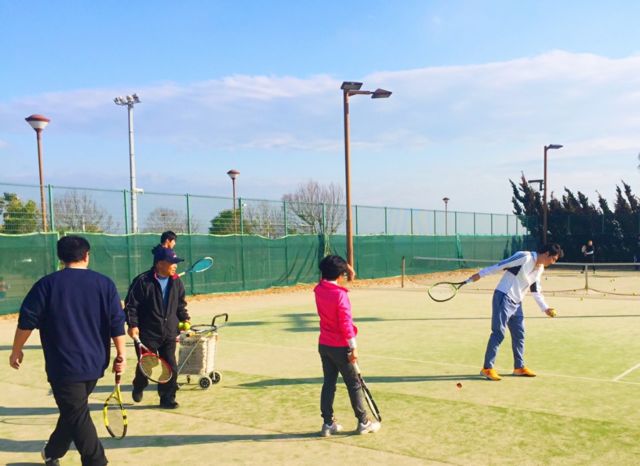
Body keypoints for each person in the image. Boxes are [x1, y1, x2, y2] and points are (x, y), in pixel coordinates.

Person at [9, 235, 126, 466]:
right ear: (86, 255)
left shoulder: (46, 284)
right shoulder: (105, 284)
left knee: (76, 414)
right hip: (95, 363)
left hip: (63, 366)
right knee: (74, 411)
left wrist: (16, 350)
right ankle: (52, 452)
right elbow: (116, 323)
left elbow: (26, 321)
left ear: (60, 258)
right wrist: (121, 354)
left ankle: (95, 462)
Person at [469, 243, 564, 381]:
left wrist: (545, 308)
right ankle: (487, 368)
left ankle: (519, 368)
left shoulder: (540, 268)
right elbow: (501, 265)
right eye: (553, 259)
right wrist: (480, 274)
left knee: (519, 334)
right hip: (504, 296)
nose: (553, 262)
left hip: (517, 302)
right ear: (546, 254)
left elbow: (535, 290)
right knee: (498, 333)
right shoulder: (525, 257)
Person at [314, 255, 381, 436]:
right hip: (341, 347)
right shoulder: (340, 295)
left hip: (324, 345)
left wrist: (345, 268)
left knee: (329, 384)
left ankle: (328, 424)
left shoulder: (319, 289)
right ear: (340, 275)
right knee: (354, 384)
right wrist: (354, 347)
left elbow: (327, 278)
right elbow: (345, 323)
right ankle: (364, 422)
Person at [125, 247, 190, 409]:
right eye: (172, 262)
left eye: (176, 262)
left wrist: (184, 318)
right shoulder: (142, 281)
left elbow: (180, 304)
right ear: (160, 263)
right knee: (147, 365)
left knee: (171, 367)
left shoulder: (176, 281)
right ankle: (139, 384)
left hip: (169, 332)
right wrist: (132, 325)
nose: (175, 265)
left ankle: (167, 398)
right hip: (147, 333)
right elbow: (131, 306)